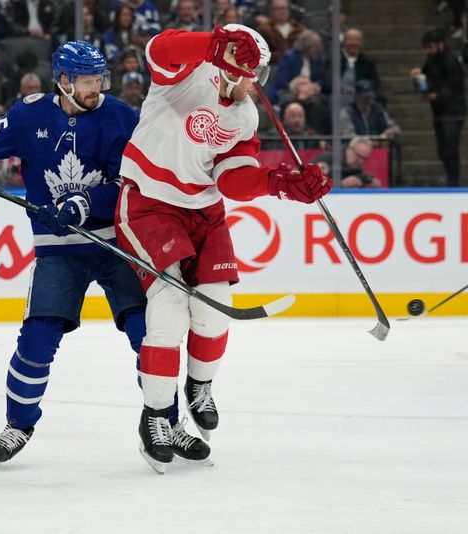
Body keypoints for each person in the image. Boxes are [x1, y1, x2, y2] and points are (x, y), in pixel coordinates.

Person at [0, 41, 210, 466]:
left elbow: (135, 183)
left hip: (117, 244)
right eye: (87, 81)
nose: (96, 87)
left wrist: (87, 203)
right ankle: (18, 424)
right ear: (63, 81)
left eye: (100, 79)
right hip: (58, 251)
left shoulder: (122, 118)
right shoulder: (30, 115)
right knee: (37, 339)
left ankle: (167, 422)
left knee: (148, 335)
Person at [114, 24, 332, 473]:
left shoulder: (246, 115)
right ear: (234, 61)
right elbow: (160, 47)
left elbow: (230, 178)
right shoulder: (186, 73)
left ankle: (200, 386)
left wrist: (281, 184)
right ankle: (155, 416)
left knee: (216, 306)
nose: (256, 82)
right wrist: (217, 44)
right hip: (150, 203)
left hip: (204, 210)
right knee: (170, 303)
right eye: (253, 69)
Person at [409, 28, 466, 187]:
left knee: (450, 147)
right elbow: (428, 76)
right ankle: (449, 175)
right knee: (442, 148)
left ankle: (453, 179)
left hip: (453, 112)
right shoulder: (432, 58)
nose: (429, 50)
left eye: (430, 46)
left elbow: (455, 86)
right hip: (440, 111)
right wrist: (419, 75)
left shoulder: (451, 61)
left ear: (439, 45)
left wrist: (438, 95)